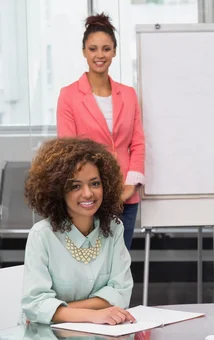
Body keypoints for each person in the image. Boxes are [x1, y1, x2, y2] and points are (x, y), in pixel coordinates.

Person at [22, 138, 135, 325]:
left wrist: (58, 309)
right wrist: (94, 315)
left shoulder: (114, 228)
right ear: (57, 190)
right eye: (75, 186)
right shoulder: (42, 235)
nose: (88, 193)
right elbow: (35, 305)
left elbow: (121, 293)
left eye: (95, 183)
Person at [57, 13, 145, 250]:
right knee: (90, 264)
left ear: (114, 52)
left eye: (106, 49)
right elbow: (68, 151)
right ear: (84, 51)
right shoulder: (69, 95)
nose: (100, 55)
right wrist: (93, 190)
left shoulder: (128, 94)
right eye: (93, 49)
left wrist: (129, 186)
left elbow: (137, 142)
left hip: (126, 197)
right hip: (87, 197)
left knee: (120, 264)